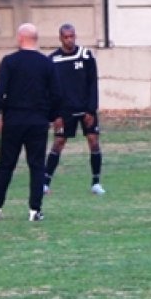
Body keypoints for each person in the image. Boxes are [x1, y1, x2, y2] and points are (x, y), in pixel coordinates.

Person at [0, 23, 63, 222]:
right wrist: (52, 117)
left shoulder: (10, 62)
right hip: (38, 121)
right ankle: (35, 210)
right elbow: (56, 94)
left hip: (13, 120)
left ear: (20, 38)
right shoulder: (47, 64)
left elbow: (0, 90)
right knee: (37, 166)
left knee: (6, 165)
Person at [43, 24, 105, 196]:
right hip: (64, 112)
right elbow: (49, 90)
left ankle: (96, 182)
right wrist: (54, 115)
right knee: (58, 143)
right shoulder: (53, 60)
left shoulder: (85, 55)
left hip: (85, 110)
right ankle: (45, 182)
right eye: (66, 37)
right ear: (60, 38)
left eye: (72, 36)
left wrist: (91, 110)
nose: (69, 40)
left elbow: (92, 83)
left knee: (93, 141)